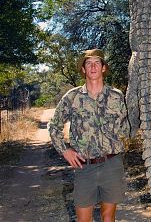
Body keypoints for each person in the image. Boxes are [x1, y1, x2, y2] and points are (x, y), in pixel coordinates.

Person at [48, 49, 130, 222]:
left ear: (103, 68)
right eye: (88, 63)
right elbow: (54, 126)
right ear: (84, 69)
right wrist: (65, 151)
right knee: (83, 219)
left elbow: (125, 128)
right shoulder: (72, 97)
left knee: (108, 217)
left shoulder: (117, 96)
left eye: (97, 62)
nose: (93, 66)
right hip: (84, 167)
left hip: (112, 164)